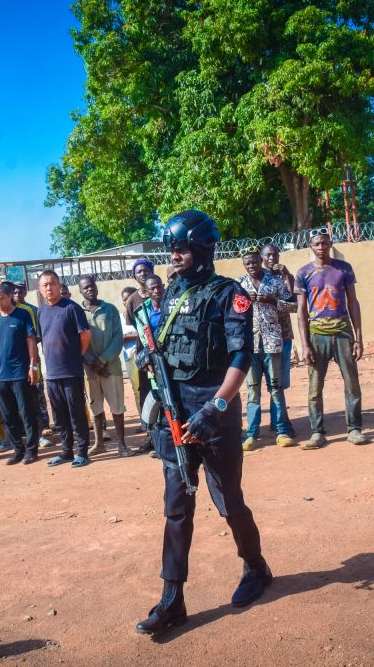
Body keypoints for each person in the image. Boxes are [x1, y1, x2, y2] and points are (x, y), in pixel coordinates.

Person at [133, 210, 270, 635]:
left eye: (181, 248)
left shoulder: (229, 294)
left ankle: (256, 566)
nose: (174, 255)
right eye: (171, 248)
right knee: (176, 509)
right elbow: (164, 349)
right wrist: (148, 362)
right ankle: (172, 598)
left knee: (228, 500)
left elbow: (241, 358)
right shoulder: (171, 292)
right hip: (175, 417)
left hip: (213, 416)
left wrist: (216, 408)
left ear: (202, 248)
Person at [295, 231, 367, 448]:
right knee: (314, 388)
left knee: (352, 384)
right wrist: (305, 344)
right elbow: (301, 311)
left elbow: (353, 302)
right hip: (317, 336)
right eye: (316, 244)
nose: (321, 247)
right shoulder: (303, 273)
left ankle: (354, 429)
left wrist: (359, 338)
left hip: (343, 333)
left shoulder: (344, 268)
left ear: (330, 244)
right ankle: (317, 432)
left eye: (324, 243)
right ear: (311, 247)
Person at [237, 247, 296, 450]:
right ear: (244, 265)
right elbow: (233, 311)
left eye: (254, 261)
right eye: (248, 263)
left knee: (276, 389)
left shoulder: (275, 281)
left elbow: (293, 305)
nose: (252, 265)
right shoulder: (239, 284)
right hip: (250, 346)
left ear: (260, 261)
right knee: (253, 392)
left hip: (272, 344)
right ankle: (252, 434)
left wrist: (273, 301)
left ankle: (281, 431)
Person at [38, 270, 93, 468]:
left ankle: (82, 452)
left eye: (51, 283)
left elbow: (85, 336)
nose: (48, 288)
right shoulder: (41, 312)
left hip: (71, 371)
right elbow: (43, 339)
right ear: (40, 289)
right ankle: (66, 451)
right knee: (59, 416)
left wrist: (75, 356)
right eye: (44, 285)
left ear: (59, 285)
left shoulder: (72, 308)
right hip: (51, 374)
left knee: (76, 413)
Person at [0, 282, 40, 464]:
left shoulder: (22, 315)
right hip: (1, 376)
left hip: (20, 373)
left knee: (26, 413)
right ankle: (18, 449)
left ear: (10, 296)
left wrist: (32, 367)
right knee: (7, 415)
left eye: (1, 299)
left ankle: (32, 450)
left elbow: (31, 341)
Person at [78, 275, 131, 457]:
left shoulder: (110, 310)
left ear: (96, 287)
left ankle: (122, 444)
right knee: (95, 407)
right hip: (89, 370)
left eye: (92, 286)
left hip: (111, 367)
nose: (89, 289)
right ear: (80, 291)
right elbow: (77, 341)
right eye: (85, 287)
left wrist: (103, 360)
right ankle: (99, 443)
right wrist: (91, 361)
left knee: (117, 407)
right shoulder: (77, 312)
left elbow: (118, 338)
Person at [261, 243, 298, 432]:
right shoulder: (260, 278)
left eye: (274, 255)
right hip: (266, 338)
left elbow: (293, 301)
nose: (271, 259)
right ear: (262, 257)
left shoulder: (284, 276)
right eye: (268, 255)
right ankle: (280, 422)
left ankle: (278, 420)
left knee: (280, 382)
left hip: (284, 335)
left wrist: (286, 275)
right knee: (273, 382)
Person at [14, 282, 54, 444]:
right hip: (16, 361)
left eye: (20, 291)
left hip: (32, 358)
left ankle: (43, 424)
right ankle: (25, 427)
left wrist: (27, 341)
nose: (17, 294)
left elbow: (40, 334)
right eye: (15, 291)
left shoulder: (33, 310)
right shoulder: (9, 312)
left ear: (25, 292)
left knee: (37, 391)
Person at [131, 275, 164, 460]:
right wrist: (149, 362)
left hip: (175, 362)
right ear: (147, 291)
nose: (157, 291)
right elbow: (144, 341)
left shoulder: (171, 306)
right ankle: (160, 444)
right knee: (158, 404)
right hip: (155, 365)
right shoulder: (142, 312)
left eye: (159, 287)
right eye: (153, 288)